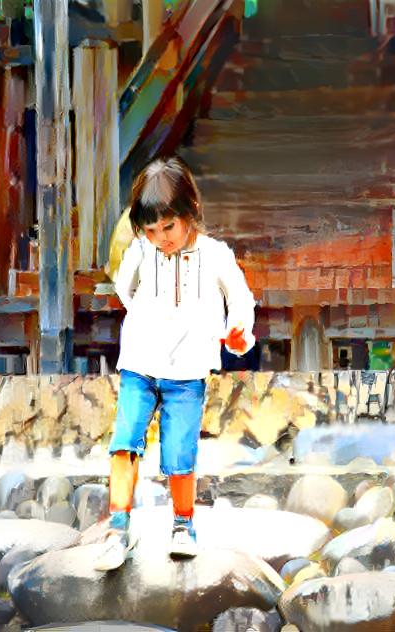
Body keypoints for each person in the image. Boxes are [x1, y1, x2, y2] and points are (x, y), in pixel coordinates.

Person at [95, 156, 256, 570]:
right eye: (151, 229)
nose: (160, 237)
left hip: (188, 372)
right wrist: (145, 317)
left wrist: (238, 331)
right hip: (140, 364)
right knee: (124, 442)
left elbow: (240, 299)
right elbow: (122, 285)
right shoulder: (141, 251)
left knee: (180, 454)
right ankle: (117, 528)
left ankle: (183, 525)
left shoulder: (216, 255)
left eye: (168, 226)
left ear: (190, 213)